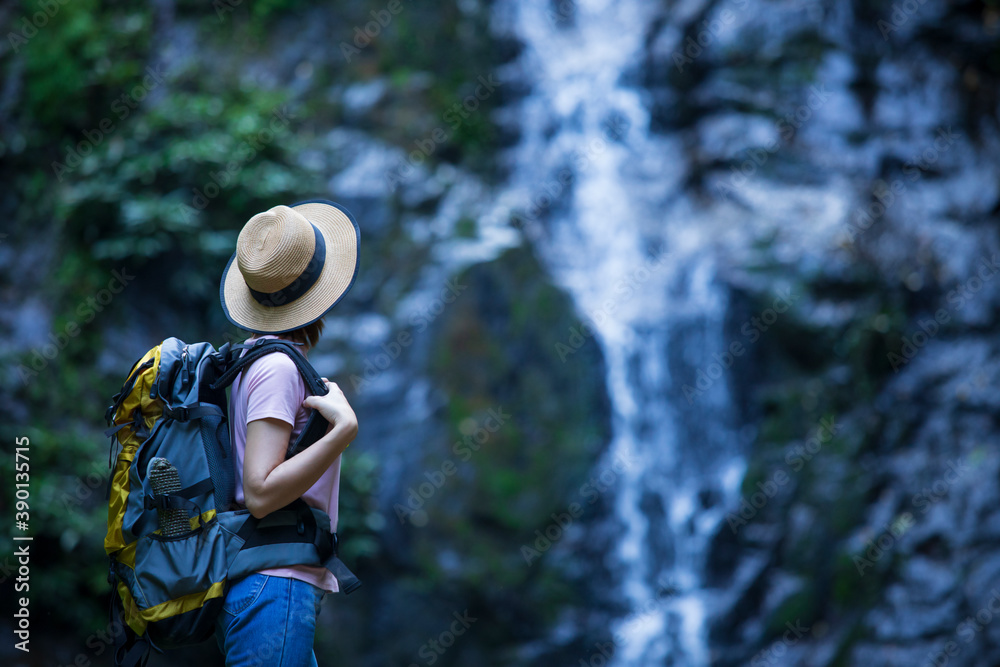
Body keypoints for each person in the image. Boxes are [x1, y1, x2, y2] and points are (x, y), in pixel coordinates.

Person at [214, 200, 361, 667]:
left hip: (268, 586)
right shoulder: (278, 368)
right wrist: (342, 431)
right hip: (274, 586)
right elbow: (259, 491)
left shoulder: (252, 360)